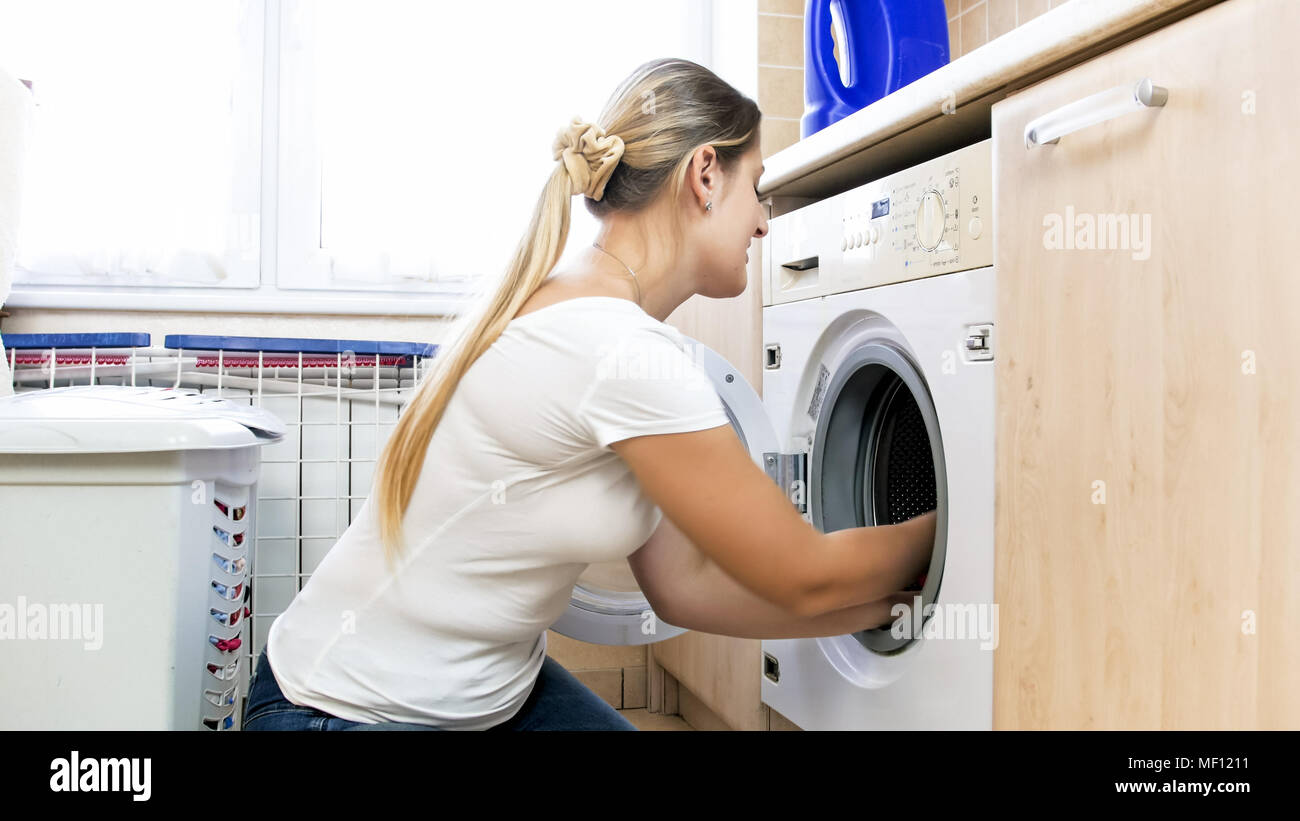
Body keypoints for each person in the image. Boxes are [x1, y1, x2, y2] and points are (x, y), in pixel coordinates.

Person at [243, 57, 936, 732]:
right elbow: (802, 574)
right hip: (337, 708)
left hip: (486, 691)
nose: (763, 222)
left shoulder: (586, 312)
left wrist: (888, 608)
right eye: (757, 188)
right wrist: (964, 528)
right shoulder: (620, 350)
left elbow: (682, 587)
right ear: (704, 176)